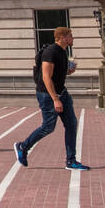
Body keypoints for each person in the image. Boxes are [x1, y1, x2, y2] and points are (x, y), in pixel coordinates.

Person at [15, 26, 88, 170]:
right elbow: (46, 77)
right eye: (70, 36)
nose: (72, 38)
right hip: (47, 95)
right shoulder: (50, 52)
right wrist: (55, 99)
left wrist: (69, 71)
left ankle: (71, 160)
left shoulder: (62, 51)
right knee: (48, 127)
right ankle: (23, 146)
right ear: (63, 37)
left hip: (62, 92)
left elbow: (58, 73)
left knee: (72, 124)